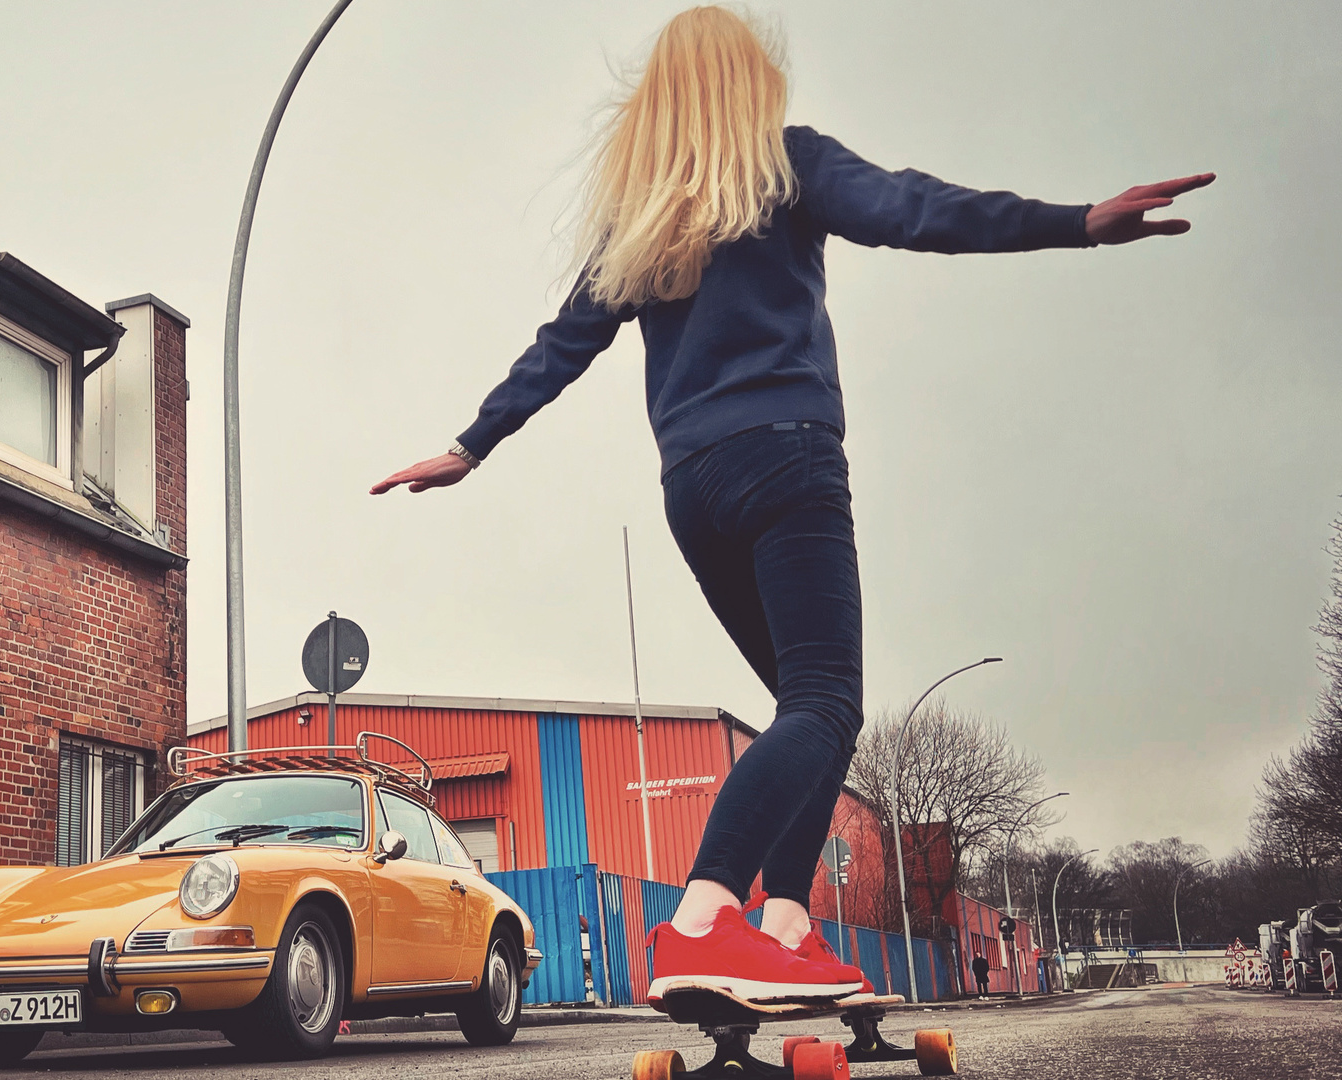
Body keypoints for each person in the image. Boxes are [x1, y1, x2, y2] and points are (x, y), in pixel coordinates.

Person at [370, 6, 1211, 1001]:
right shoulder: (786, 164)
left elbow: (563, 342)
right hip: (787, 463)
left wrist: (473, 443)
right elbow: (913, 209)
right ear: (748, 84)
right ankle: (701, 920)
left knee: (812, 711)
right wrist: (1073, 223)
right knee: (823, 700)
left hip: (695, 488)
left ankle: (782, 926)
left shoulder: (642, 216)